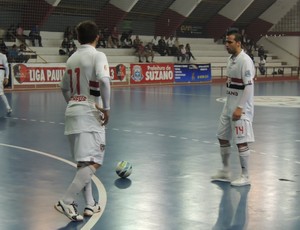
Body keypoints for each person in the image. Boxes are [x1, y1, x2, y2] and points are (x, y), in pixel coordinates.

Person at [55, 20, 111, 221]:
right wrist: (107, 107)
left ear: (78, 38)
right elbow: (104, 80)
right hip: (89, 112)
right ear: (98, 37)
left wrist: (74, 103)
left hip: (72, 111)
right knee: (95, 161)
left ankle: (89, 204)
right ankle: (66, 200)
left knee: (83, 162)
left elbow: (64, 88)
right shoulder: (98, 55)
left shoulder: (71, 58)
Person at [211, 29, 255, 187]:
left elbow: (249, 87)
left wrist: (240, 108)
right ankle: (225, 171)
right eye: (225, 41)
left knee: (241, 142)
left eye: (229, 42)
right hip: (228, 105)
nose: (226, 44)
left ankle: (246, 175)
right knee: (222, 137)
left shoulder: (245, 60)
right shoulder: (231, 59)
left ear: (238, 43)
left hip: (240, 109)